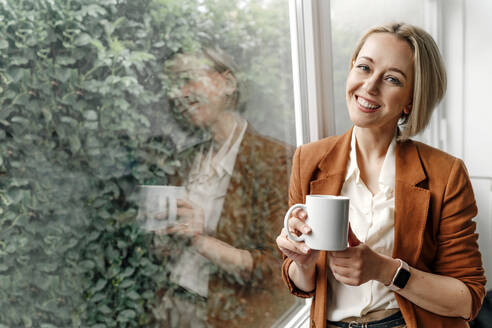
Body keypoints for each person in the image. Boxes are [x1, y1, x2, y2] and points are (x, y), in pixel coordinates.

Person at [276, 22, 486, 328]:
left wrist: (386, 270)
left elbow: (468, 298)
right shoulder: (308, 160)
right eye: (363, 68)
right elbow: (302, 284)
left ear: (411, 101)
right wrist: (303, 263)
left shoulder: (446, 173)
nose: (370, 86)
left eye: (392, 79)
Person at [154, 46, 296, 327]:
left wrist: (199, 240)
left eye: (188, 79)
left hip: (229, 317)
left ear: (228, 83)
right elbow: (166, 253)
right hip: (172, 306)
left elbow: (278, 270)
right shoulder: (185, 161)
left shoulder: (277, 160)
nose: (179, 94)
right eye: (173, 86)